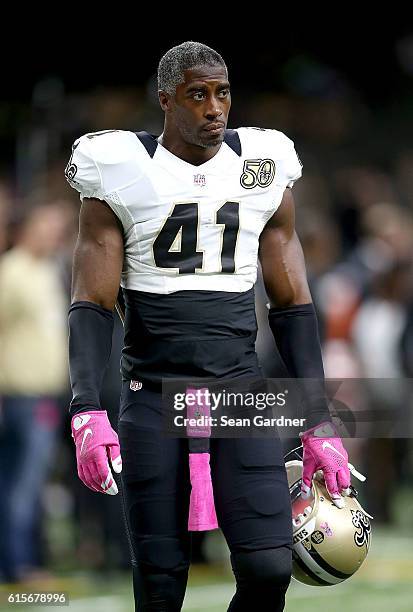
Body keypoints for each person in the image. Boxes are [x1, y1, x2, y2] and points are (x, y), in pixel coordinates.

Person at [66, 41, 351, 611]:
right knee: (162, 580)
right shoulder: (120, 166)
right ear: (166, 100)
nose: (215, 108)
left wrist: (318, 419)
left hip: (239, 392)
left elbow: (292, 301)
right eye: (198, 95)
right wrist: (85, 410)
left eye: (223, 93)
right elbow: (92, 302)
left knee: (270, 569)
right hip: (153, 392)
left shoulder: (262, 164)